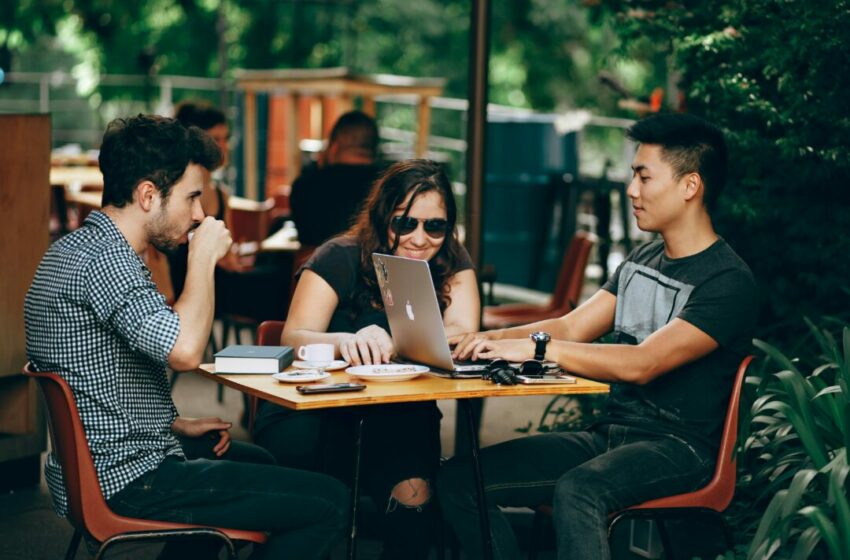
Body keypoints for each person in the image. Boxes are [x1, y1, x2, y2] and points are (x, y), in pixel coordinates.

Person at [24, 114, 348, 560]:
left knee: (262, 463)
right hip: (128, 477)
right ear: (147, 195)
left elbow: (93, 376)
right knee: (330, 502)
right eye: (192, 197)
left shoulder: (75, 249)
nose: (200, 213)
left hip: (97, 465)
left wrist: (170, 424)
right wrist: (202, 260)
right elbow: (185, 351)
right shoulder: (108, 263)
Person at [441, 113, 758, 560]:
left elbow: (643, 363)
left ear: (690, 186)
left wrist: (534, 348)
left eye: (644, 177)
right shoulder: (643, 258)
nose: (632, 190)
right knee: (461, 481)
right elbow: (572, 326)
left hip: (680, 449)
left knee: (579, 490)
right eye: (633, 175)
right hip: (610, 436)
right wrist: (484, 339)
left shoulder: (727, 281)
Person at [253, 159, 480, 559]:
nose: (420, 238)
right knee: (319, 502)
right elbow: (292, 338)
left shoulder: (450, 260)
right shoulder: (339, 255)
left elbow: (462, 332)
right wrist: (347, 340)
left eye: (435, 226)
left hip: (397, 413)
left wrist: (401, 338)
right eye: (404, 223)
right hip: (318, 409)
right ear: (382, 218)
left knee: (415, 502)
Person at [289, 110, 383, 247]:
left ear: (334, 146)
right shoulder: (388, 185)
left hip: (315, 266)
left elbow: (304, 237)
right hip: (370, 266)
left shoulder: (304, 185)